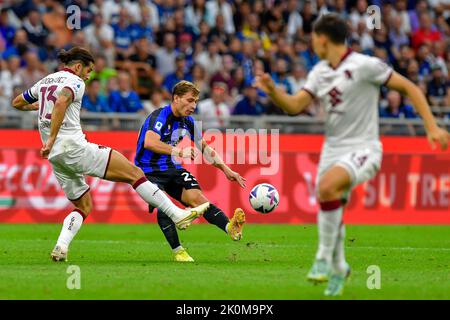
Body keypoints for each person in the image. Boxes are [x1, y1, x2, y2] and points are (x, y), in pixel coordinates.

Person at [255, 14, 449, 297]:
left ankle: (322, 258)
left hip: (364, 147)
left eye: (313, 38)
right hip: (332, 149)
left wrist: (431, 127)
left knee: (326, 187)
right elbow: (295, 106)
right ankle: (340, 267)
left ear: (322, 39)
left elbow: (409, 87)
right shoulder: (320, 71)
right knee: (330, 199)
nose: (312, 43)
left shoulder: (365, 65)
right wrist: (273, 91)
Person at [11, 47, 210, 262]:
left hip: (57, 158)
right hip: (73, 147)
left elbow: (17, 103)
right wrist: (50, 137)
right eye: (88, 71)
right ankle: (176, 214)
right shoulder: (75, 82)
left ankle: (61, 247)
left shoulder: (46, 81)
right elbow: (61, 100)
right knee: (134, 173)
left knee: (83, 205)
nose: (89, 76)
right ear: (78, 67)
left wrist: (43, 109)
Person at [134, 80, 246, 262]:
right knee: (165, 207)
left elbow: (205, 148)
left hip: (171, 168)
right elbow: (150, 142)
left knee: (199, 200)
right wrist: (178, 151)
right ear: (176, 98)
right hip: (148, 171)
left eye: (196, 102)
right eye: (190, 100)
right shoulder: (159, 116)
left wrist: (226, 169)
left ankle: (229, 227)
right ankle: (179, 251)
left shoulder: (189, 122)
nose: (193, 106)